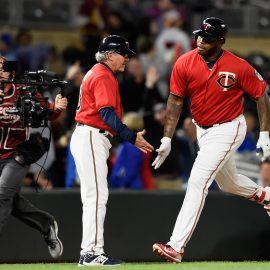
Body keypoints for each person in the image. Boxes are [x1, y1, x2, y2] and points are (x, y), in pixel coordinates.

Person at [151, 17, 270, 263]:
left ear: (221, 41)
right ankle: (265, 197)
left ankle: (176, 246)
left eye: (208, 38)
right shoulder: (185, 61)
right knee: (228, 183)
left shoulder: (238, 65)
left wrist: (265, 132)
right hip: (202, 129)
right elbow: (175, 100)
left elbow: (261, 94)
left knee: (198, 180)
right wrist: (167, 138)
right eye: (199, 35)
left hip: (229, 128)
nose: (201, 40)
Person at [70, 35, 154, 266]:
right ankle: (91, 253)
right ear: (109, 55)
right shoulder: (102, 74)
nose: (127, 58)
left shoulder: (98, 72)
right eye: (123, 53)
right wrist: (131, 137)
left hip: (91, 136)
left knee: (95, 195)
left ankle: (91, 251)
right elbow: (106, 114)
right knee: (96, 196)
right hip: (91, 135)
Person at [0, 56, 67, 258]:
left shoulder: (23, 91)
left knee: (1, 195)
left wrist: (57, 108)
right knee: (12, 200)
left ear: (11, 71)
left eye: (3, 66)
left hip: (17, 153)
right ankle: (46, 224)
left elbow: (48, 114)